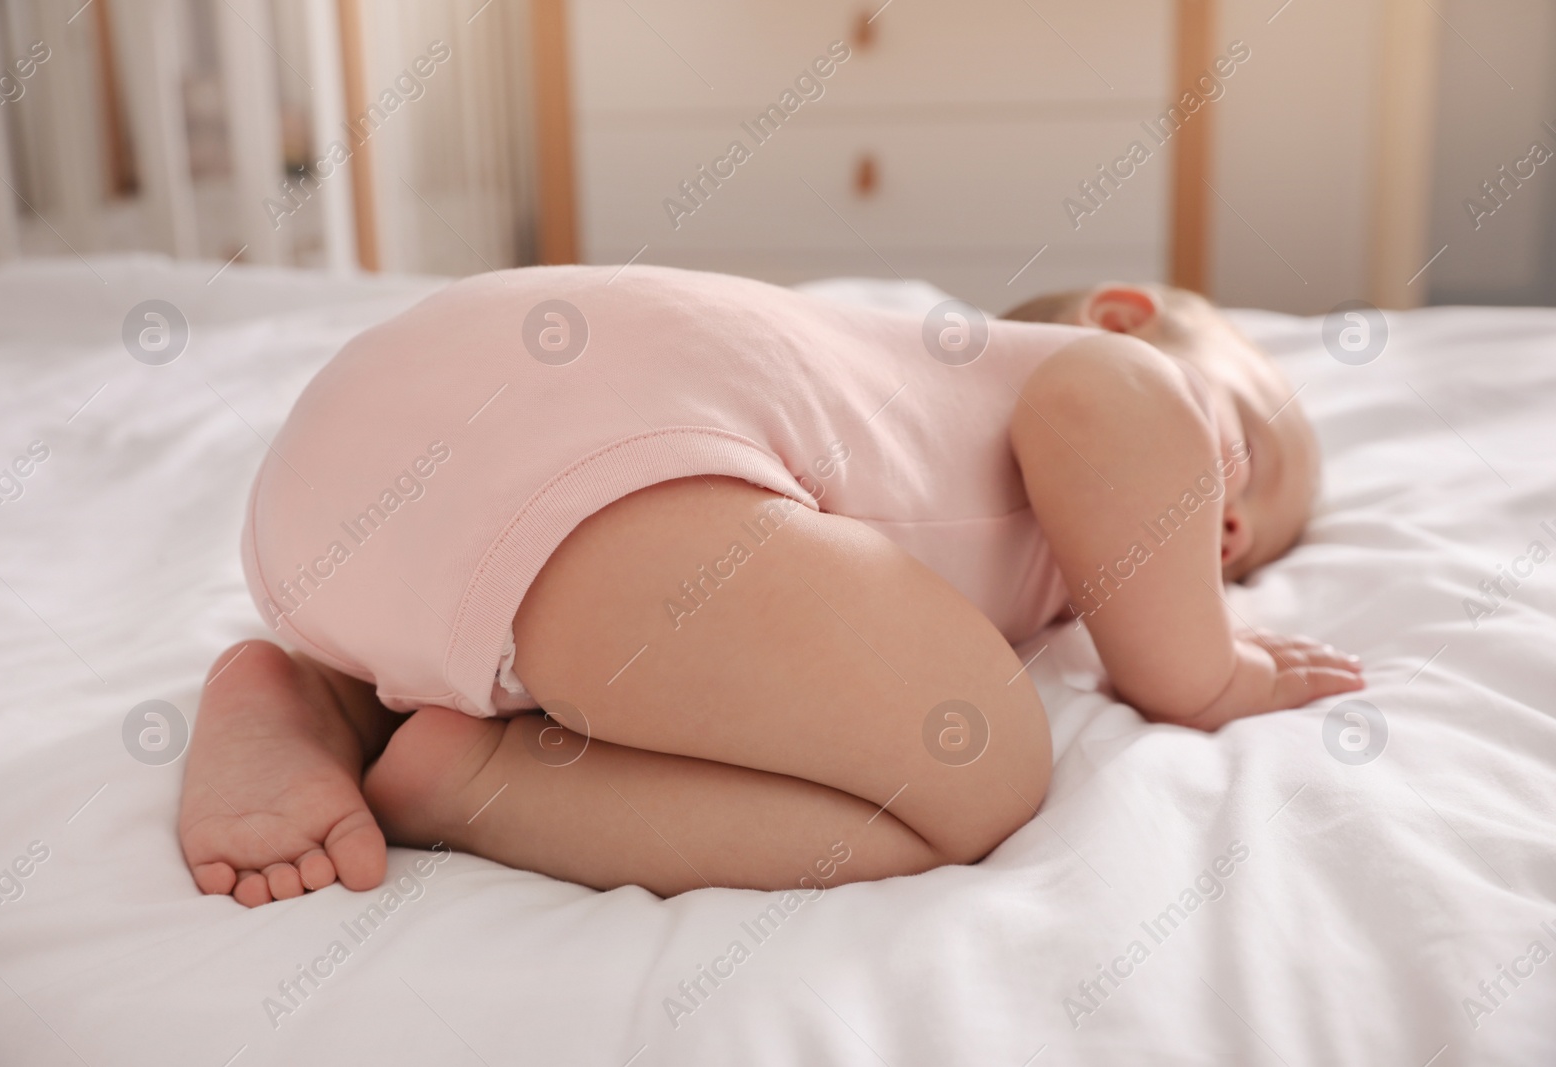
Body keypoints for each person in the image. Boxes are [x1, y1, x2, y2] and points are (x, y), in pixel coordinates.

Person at [179, 267, 1363, 905]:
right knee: (980, 763)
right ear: (1125, 311)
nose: (1227, 527)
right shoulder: (1097, 377)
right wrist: (1207, 671)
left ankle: (322, 695)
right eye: (1242, 457)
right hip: (608, 460)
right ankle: (475, 781)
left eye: (1242, 553)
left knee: (682, 669)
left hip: (341, 476)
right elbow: (1111, 413)